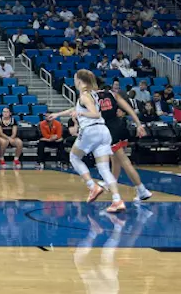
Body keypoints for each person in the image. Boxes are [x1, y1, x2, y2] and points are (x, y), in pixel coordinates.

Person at [47, 70, 125, 213]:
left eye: (75, 79)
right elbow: (77, 108)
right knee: (104, 169)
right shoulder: (93, 94)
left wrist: (81, 114)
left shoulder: (84, 95)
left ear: (79, 81)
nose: (74, 82)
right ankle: (117, 200)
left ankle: (92, 186)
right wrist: (58, 114)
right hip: (103, 132)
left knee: (74, 157)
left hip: (91, 130)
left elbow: (95, 114)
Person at [95, 84, 152, 202]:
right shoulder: (113, 94)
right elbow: (129, 109)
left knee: (124, 160)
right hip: (120, 127)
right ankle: (110, 182)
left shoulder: (92, 98)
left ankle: (142, 190)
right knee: (115, 159)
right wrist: (138, 124)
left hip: (109, 130)